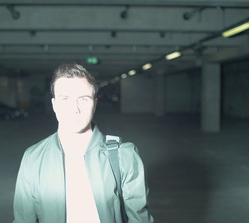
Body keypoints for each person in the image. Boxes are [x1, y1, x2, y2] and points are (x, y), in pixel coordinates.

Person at [13, 63, 154, 223]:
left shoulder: (124, 156)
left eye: (83, 99)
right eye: (65, 98)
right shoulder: (33, 158)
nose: (75, 109)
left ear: (94, 104)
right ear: (54, 105)